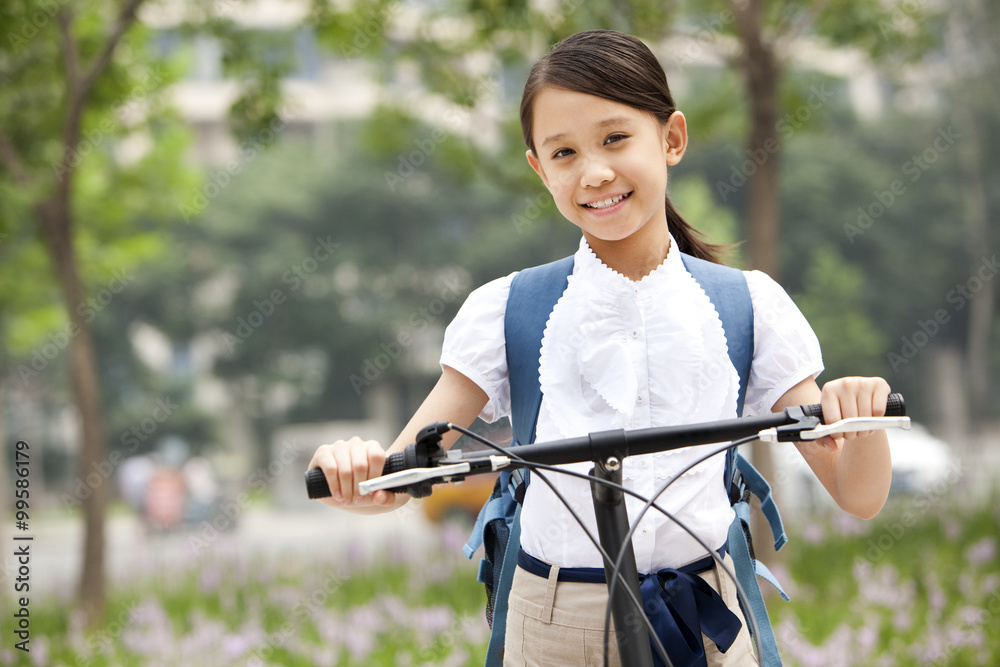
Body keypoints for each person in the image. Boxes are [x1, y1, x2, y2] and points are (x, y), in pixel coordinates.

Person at [308, 29, 893, 667]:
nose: (594, 172)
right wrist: (356, 470)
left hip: (703, 618)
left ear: (671, 139)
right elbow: (404, 473)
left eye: (616, 138)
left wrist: (860, 419)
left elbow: (857, 496)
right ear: (538, 168)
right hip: (554, 622)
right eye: (563, 153)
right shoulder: (508, 309)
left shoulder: (747, 305)